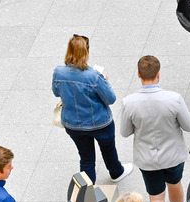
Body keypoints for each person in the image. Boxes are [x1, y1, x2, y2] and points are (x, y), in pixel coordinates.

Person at [119, 56, 190, 202]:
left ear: (138, 74)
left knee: (156, 198)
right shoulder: (174, 99)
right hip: (173, 155)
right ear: (158, 74)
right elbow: (189, 126)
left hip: (147, 159)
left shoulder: (129, 102)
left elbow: (125, 132)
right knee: (175, 183)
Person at [52, 35, 132, 183]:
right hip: (100, 123)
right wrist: (104, 81)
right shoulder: (94, 76)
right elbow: (111, 98)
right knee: (108, 149)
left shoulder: (59, 72)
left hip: (73, 124)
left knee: (86, 158)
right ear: (86, 53)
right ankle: (116, 172)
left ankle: (87, 195)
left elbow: (56, 92)